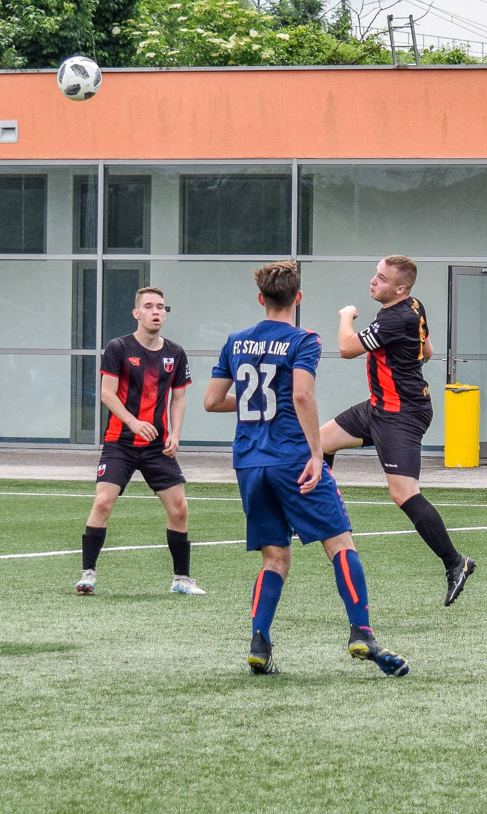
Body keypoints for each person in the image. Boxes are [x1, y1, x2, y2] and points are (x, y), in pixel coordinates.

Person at [205, 260, 409, 677]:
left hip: (249, 460)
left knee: (274, 558)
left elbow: (212, 401)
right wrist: (317, 454)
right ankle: (362, 632)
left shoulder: (236, 341)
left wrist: (257, 400)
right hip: (292, 458)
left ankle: (259, 642)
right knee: (340, 543)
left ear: (261, 299)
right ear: (298, 298)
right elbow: (302, 396)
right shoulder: (304, 339)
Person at [320, 255, 475, 606]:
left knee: (403, 493)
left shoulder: (396, 317)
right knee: (318, 443)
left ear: (401, 288)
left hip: (401, 414)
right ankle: (322, 512)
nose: (373, 281)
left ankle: (456, 563)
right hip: (379, 406)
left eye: (382, 278)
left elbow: (346, 348)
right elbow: (427, 350)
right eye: (376, 275)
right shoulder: (412, 306)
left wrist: (346, 316)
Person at [76, 286, 202, 597]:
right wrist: (133, 423)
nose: (156, 311)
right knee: (103, 502)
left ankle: (182, 579)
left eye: (160, 306)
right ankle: (88, 574)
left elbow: (179, 398)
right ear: (136, 313)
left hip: (157, 446)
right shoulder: (118, 347)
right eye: (149, 306)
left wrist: (175, 434)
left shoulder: (176, 353)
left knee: (179, 509)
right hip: (120, 441)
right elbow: (107, 394)